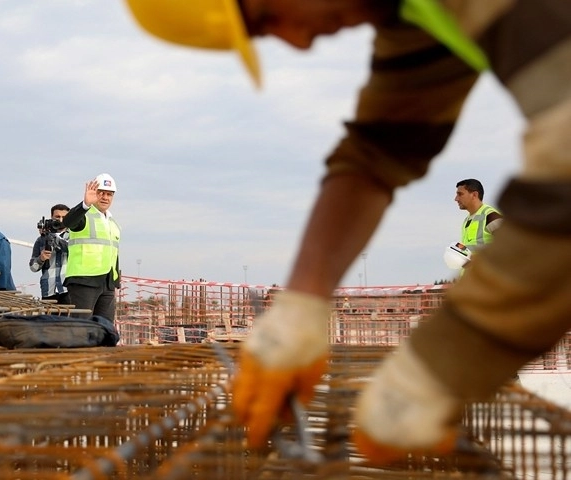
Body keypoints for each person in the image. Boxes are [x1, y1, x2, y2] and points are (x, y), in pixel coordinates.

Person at [123, 0, 571, 464]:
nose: (297, 42)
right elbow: (375, 153)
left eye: (266, 17)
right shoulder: (412, 13)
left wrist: (440, 367)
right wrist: (302, 301)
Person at [63, 174, 121, 321]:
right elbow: (69, 221)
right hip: (84, 280)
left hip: (107, 282)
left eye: (109, 194)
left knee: (105, 328)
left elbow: (113, 253)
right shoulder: (85, 215)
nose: (105, 197)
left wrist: (115, 281)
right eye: (101, 193)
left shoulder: (112, 223)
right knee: (82, 326)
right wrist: (85, 204)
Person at [30, 204, 71, 303]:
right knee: (50, 319)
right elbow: (33, 267)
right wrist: (41, 258)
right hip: (49, 290)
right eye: (57, 217)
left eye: (64, 217)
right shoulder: (41, 240)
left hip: (68, 289)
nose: (61, 220)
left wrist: (52, 236)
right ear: (51, 217)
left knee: (70, 318)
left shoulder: (74, 236)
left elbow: (70, 250)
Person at [455, 179, 503, 252]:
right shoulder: (467, 220)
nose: (456, 199)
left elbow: (509, 244)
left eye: (460, 194)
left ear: (474, 195)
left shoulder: (490, 215)